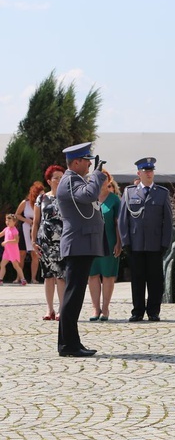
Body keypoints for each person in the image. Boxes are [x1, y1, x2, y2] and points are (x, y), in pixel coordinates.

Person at [55, 142, 107, 357]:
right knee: (73, 296)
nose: (89, 164)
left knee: (74, 295)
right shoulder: (69, 181)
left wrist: (93, 176)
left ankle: (71, 342)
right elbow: (87, 196)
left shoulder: (75, 179)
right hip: (78, 244)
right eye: (86, 160)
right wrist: (97, 176)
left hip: (82, 244)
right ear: (76, 162)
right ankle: (68, 345)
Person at [118, 157, 173, 322]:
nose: (149, 173)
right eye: (145, 171)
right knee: (137, 280)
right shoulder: (129, 192)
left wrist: (165, 243)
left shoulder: (162, 193)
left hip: (155, 244)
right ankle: (137, 311)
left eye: (151, 170)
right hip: (136, 244)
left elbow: (168, 221)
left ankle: (154, 311)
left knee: (155, 280)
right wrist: (126, 242)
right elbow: (123, 220)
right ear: (139, 173)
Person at [31, 165, 67, 321]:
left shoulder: (67, 198)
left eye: (61, 177)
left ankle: (61, 309)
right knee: (47, 276)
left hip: (62, 242)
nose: (59, 180)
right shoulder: (41, 198)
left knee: (60, 276)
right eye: (56, 178)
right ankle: (49, 309)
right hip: (45, 243)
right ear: (49, 180)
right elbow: (36, 222)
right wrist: (33, 241)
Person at [88, 171, 122, 322]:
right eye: (98, 179)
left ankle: (106, 307)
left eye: (104, 179)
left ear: (109, 181)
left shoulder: (115, 200)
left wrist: (119, 243)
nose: (101, 182)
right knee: (92, 275)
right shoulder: (88, 198)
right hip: (91, 243)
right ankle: (96, 308)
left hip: (109, 241)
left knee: (108, 275)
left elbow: (118, 224)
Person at [15, 182, 45, 284]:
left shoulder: (43, 203)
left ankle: (33, 278)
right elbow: (17, 215)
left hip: (36, 229)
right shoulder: (25, 202)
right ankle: (19, 277)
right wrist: (26, 220)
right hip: (25, 229)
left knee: (34, 254)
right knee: (22, 253)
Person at [0, 214, 27, 286]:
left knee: (16, 266)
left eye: (9, 220)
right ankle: (1, 280)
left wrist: (6, 242)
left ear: (14, 222)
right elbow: (1, 234)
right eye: (6, 220)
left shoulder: (15, 230)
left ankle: (23, 279)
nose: (7, 222)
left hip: (13, 251)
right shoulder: (6, 229)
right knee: (2, 264)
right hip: (7, 251)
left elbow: (16, 241)